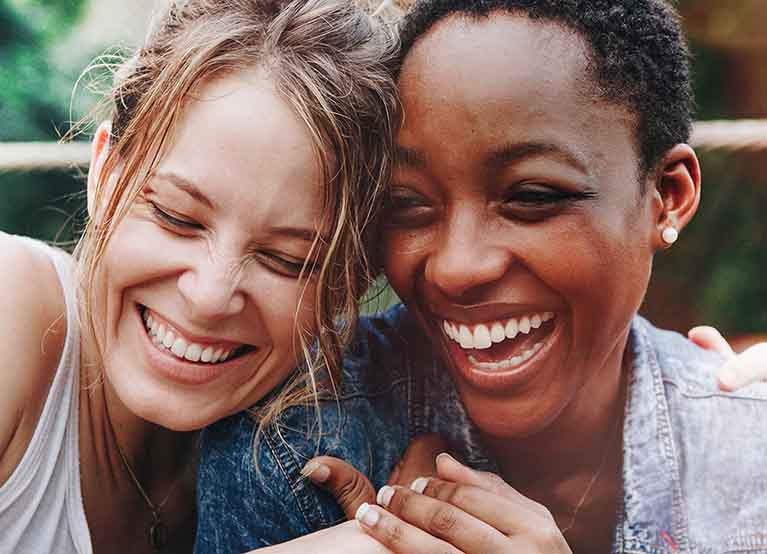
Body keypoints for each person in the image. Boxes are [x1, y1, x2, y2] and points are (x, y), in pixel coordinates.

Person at [194, 0, 767, 552]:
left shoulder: (750, 461)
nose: (456, 268)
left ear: (667, 197)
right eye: (408, 205)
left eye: (532, 197)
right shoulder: (302, 443)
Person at [0, 0, 400, 552]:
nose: (210, 296)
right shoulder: (9, 306)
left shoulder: (313, 454)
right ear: (106, 173)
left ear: (349, 284)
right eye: (176, 217)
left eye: (287, 261)